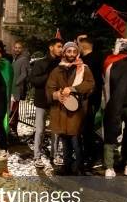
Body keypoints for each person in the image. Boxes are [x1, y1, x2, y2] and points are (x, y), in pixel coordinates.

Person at [46, 41, 95, 175]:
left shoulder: (83, 68)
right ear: (64, 53)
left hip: (77, 112)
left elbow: (90, 84)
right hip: (61, 111)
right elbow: (50, 87)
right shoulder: (57, 70)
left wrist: (73, 89)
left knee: (76, 141)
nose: (72, 54)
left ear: (77, 53)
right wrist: (56, 95)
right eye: (69, 51)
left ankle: (79, 168)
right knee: (65, 141)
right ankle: (67, 166)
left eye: (74, 51)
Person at [102, 39, 127, 178]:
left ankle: (109, 167)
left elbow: (106, 85)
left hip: (115, 103)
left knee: (111, 134)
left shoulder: (111, 64)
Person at [29, 38, 63, 168]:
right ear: (51, 47)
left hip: (56, 101)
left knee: (56, 129)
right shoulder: (40, 63)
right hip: (42, 100)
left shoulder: (62, 64)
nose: (61, 49)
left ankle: (54, 155)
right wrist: (48, 76)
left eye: (61, 47)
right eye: (59, 46)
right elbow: (33, 81)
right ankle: (37, 156)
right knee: (40, 130)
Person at [77, 35, 104, 167]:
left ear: (83, 46)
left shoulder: (95, 59)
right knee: (84, 127)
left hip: (91, 98)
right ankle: (86, 153)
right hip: (84, 98)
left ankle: (91, 155)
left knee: (88, 128)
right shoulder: (92, 58)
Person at [10, 41, 30, 137]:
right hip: (11, 89)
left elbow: (24, 74)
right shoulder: (14, 58)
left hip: (17, 89)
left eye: (19, 47)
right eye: (16, 47)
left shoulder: (24, 59)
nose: (17, 49)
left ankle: (14, 131)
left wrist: (16, 83)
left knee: (14, 111)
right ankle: (10, 130)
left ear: (22, 49)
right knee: (11, 109)